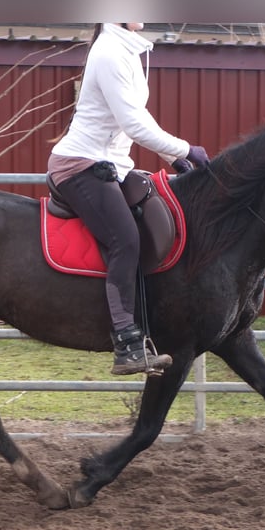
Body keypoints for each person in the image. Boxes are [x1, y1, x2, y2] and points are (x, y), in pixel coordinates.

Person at [47, 23, 210, 375]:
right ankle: (126, 342)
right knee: (125, 239)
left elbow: (137, 117)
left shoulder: (130, 51)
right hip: (80, 164)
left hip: (112, 165)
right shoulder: (109, 52)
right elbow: (133, 123)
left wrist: (173, 158)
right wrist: (186, 148)